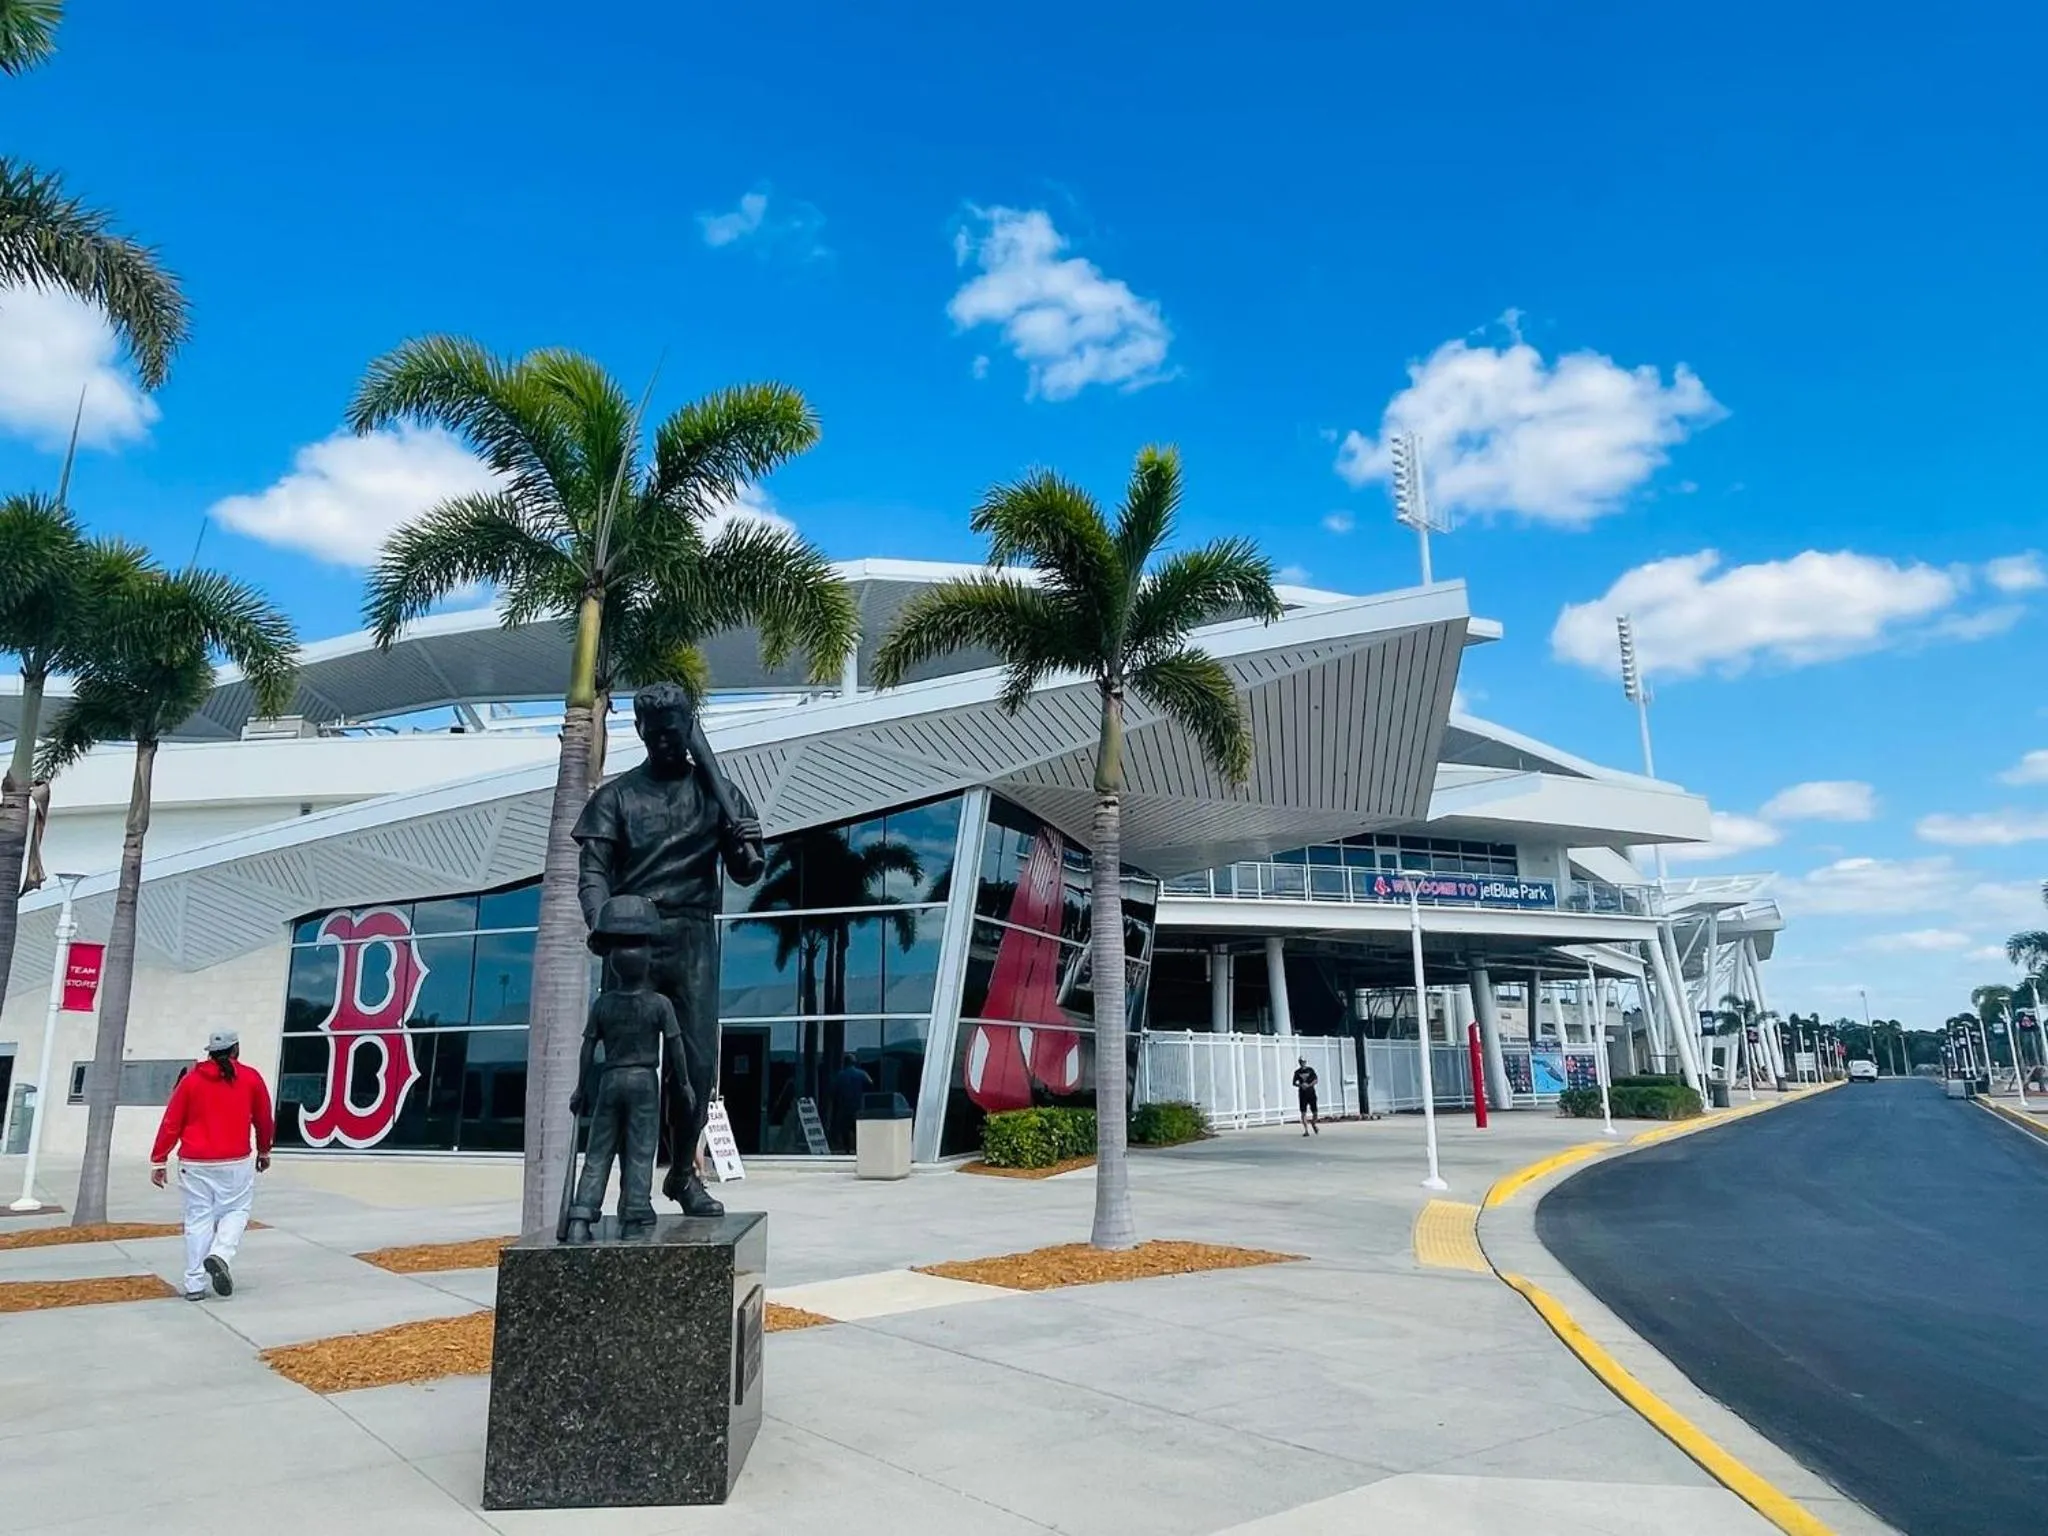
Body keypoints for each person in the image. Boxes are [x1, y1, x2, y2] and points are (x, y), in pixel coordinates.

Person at [575, 683, 765, 1218]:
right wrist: (605, 927)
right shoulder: (614, 798)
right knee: (624, 1073)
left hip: (692, 936)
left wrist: (746, 838)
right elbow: (592, 872)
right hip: (631, 939)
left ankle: (683, 1173)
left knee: (696, 1069)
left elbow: (748, 870)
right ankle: (616, 1194)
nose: (664, 743)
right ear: (639, 732)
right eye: (654, 734)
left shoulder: (718, 791)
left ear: (689, 731)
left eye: (674, 733)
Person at [565, 895, 691, 1242]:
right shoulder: (659, 1004)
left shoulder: (604, 1004)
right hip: (643, 1080)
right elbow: (677, 1046)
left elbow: (588, 1047)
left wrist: (580, 1088)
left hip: (610, 1079)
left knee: (598, 1151)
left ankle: (581, 1216)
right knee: (640, 1148)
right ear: (648, 962)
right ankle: (635, 1213)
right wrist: (684, 1083)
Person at [150, 1030, 273, 1300]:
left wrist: (159, 1160)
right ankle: (220, 1254)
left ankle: (194, 1283)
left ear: (210, 1051)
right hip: (235, 1161)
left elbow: (172, 1121)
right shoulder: (251, 1078)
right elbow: (264, 1118)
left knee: (198, 1219)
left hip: (194, 1162)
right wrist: (264, 1151)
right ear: (236, 1049)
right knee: (237, 1210)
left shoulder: (191, 1081)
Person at [826, 1052, 872, 1154]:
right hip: (858, 1107)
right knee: (858, 1129)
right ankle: (857, 1149)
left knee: (845, 1130)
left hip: (844, 1107)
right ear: (854, 1062)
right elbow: (871, 1084)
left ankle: (847, 1150)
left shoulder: (840, 1075)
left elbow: (832, 1091)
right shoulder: (862, 1074)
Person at [1292, 1056, 1320, 1136]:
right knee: (1303, 1112)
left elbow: (1316, 1080)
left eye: (1303, 1062)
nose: (1302, 1063)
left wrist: (1309, 1085)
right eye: (1301, 1062)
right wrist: (1301, 1085)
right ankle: (1306, 1130)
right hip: (1302, 1094)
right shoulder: (1297, 1072)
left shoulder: (1310, 1070)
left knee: (1315, 1112)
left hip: (1311, 1093)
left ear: (1306, 1062)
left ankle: (1313, 1123)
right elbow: (1294, 1083)